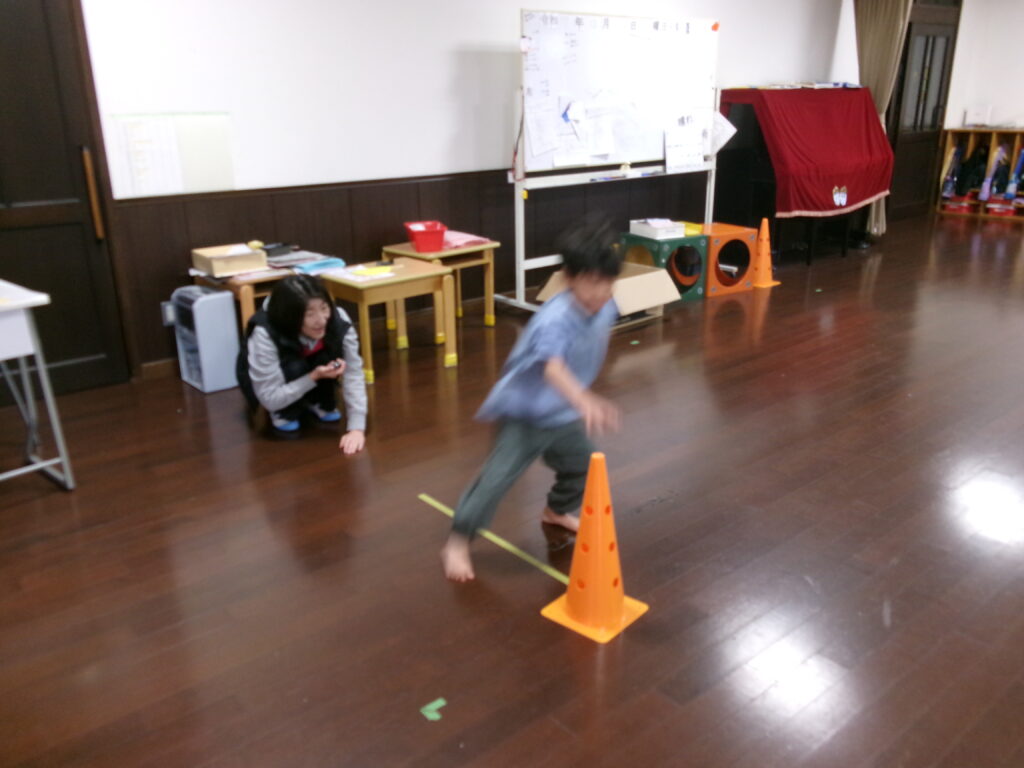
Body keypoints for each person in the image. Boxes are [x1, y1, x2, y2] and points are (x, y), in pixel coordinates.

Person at [441, 215, 623, 581]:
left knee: (584, 465)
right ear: (569, 278)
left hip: (561, 413)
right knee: (495, 480)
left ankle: (556, 510)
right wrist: (586, 400)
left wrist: (580, 398)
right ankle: (458, 541)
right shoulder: (555, 319)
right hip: (523, 414)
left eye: (608, 282)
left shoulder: (606, 307)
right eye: (592, 282)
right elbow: (553, 368)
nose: (602, 292)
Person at [237, 274, 368, 453]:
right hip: (278, 385)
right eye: (309, 313)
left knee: (330, 358)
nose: (321, 320)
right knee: (293, 370)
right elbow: (269, 398)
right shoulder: (264, 333)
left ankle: (319, 400)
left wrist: (357, 428)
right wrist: (314, 376)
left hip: (313, 371)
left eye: (324, 308)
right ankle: (285, 411)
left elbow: (353, 374)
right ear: (289, 315)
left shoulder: (339, 320)